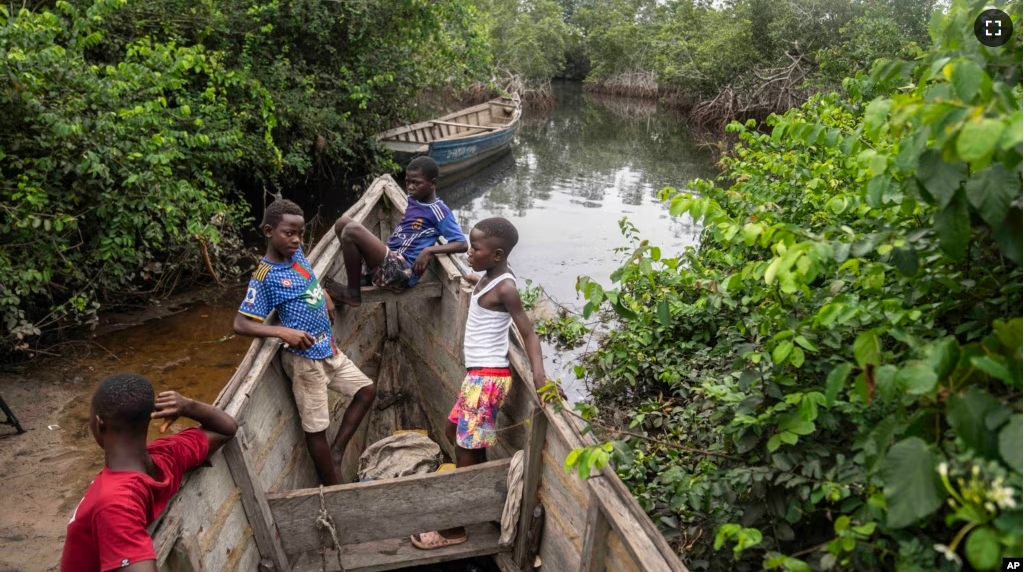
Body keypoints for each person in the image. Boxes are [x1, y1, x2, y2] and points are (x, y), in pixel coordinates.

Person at [411, 217, 553, 550]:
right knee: (455, 433)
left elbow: (529, 334)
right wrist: (475, 279)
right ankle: (488, 501)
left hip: (488, 380)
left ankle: (454, 529)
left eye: (475, 249)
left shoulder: (506, 288)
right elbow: (484, 294)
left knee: (465, 447)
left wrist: (539, 376)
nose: (468, 252)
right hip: (477, 377)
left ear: (497, 253)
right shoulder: (489, 278)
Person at [233, 199, 376, 486]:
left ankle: (337, 453)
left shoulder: (295, 253)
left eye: (300, 233)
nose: (297, 239)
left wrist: (322, 292)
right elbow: (241, 324)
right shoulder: (264, 277)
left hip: (328, 348)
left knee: (366, 390)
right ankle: (334, 488)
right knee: (316, 428)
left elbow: (307, 275)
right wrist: (283, 333)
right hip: (304, 361)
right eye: (289, 233)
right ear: (268, 231)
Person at [60, 374, 237, 572]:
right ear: (150, 419)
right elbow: (226, 429)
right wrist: (188, 406)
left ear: (100, 423)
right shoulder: (168, 457)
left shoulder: (116, 503)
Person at [324, 156, 467, 306]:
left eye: (416, 183)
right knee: (341, 223)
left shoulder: (440, 211)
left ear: (433, 184)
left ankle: (353, 294)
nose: (410, 187)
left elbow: (462, 244)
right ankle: (360, 278)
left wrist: (429, 250)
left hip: (403, 272)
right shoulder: (414, 199)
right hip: (389, 259)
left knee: (351, 230)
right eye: (408, 181)